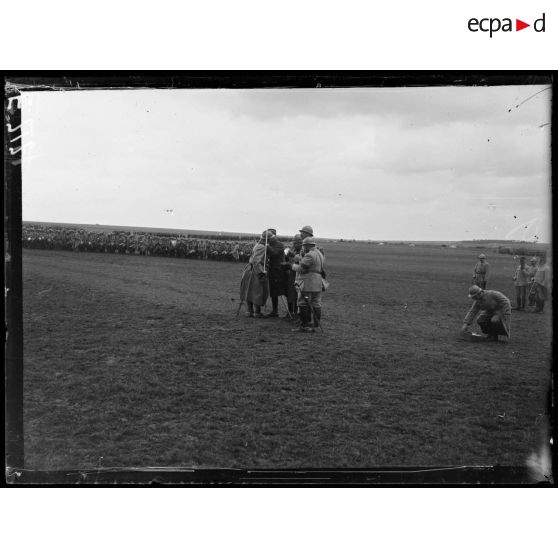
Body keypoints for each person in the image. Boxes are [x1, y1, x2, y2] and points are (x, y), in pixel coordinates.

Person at [291, 236, 327, 332]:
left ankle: (304, 325)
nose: (303, 248)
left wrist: (292, 266)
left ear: (307, 246)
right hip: (318, 283)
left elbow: (302, 269)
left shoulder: (310, 255)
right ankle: (315, 324)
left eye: (304, 246)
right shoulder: (319, 253)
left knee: (303, 303)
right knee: (316, 303)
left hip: (308, 282)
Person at [239, 232, 269, 318]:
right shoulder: (261, 246)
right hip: (255, 271)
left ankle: (250, 311)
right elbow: (256, 261)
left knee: (249, 290)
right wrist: (260, 273)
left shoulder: (258, 245)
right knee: (257, 291)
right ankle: (256, 312)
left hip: (250, 270)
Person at [262, 229, 286, 318]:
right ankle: (275, 311)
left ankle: (290, 311)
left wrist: (267, 247)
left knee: (279, 291)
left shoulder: (279, 244)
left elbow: (274, 253)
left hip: (279, 270)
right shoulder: (271, 244)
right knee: (273, 291)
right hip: (272, 270)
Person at [284, 234, 303, 319]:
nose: (294, 245)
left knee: (296, 295)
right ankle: (290, 312)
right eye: (294, 243)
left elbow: (300, 262)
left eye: (296, 243)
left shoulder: (302, 252)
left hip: (299, 275)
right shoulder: (293, 250)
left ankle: (296, 313)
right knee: (290, 293)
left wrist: (291, 263)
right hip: (291, 275)